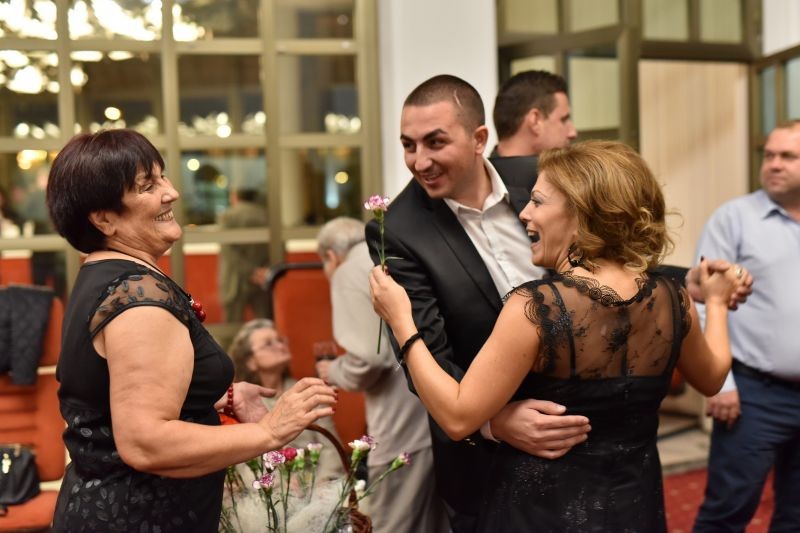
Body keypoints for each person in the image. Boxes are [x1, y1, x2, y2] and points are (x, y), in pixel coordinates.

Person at [370, 139, 746, 531]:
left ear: (581, 214)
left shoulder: (536, 308)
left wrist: (402, 322)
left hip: (541, 514)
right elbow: (713, 377)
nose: (525, 213)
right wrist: (717, 303)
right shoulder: (673, 298)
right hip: (633, 508)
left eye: (537, 202)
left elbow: (457, 416)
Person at [46, 129, 336, 532]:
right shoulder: (139, 300)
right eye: (147, 186)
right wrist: (270, 431)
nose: (171, 192)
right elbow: (146, 443)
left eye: (162, 176)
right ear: (104, 219)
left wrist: (216, 397)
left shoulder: (104, 275)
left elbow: (114, 400)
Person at [364, 74, 591, 531]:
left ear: (479, 139)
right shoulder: (399, 230)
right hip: (489, 463)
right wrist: (495, 421)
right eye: (408, 145)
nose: (419, 161)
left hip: (583, 429)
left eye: (435, 142)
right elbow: (426, 355)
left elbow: (606, 262)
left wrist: (689, 283)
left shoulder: (541, 177)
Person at [692, 120, 800, 532]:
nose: (774, 164)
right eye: (769, 155)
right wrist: (720, 384)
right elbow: (703, 301)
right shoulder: (735, 218)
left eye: (788, 156)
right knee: (728, 510)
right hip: (755, 394)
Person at [314, 217, 448, 533]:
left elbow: (369, 360)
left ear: (331, 256)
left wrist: (334, 370)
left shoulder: (349, 271)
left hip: (400, 425)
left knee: (393, 524)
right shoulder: (396, 255)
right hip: (443, 410)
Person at [223, 318, 345, 531]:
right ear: (251, 362)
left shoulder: (308, 391)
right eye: (268, 343)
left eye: (280, 340)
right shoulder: (242, 402)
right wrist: (279, 485)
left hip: (315, 486)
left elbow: (330, 449)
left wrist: (320, 484)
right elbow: (242, 459)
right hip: (265, 491)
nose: (279, 345)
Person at [489, 70, 577, 191]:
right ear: (535, 121)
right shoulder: (565, 188)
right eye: (563, 120)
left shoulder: (482, 185)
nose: (572, 133)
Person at [218, 186, 270, 322]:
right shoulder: (266, 215)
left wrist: (250, 270)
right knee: (264, 322)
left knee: (232, 325)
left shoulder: (229, 215)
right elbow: (275, 246)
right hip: (261, 278)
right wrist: (262, 270)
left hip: (235, 279)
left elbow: (228, 251)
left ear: (235, 196)